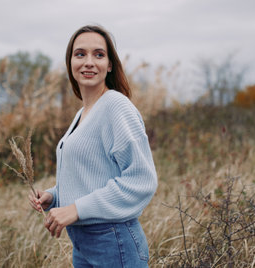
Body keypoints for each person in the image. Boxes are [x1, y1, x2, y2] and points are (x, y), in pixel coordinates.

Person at [28, 25, 158, 267]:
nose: (89, 62)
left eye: (98, 55)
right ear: (70, 63)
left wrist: (75, 209)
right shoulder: (84, 113)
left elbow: (142, 181)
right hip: (84, 243)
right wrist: (54, 196)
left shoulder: (116, 106)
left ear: (109, 65)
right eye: (80, 54)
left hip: (113, 242)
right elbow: (93, 174)